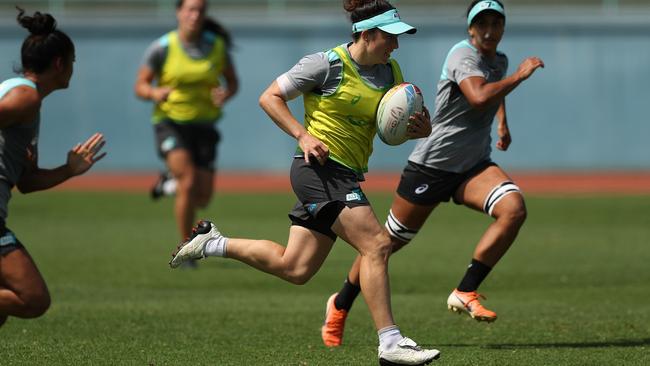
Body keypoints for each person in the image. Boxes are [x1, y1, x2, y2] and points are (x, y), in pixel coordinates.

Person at [169, 0, 441, 364]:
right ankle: (391, 342)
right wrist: (302, 135)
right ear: (367, 33)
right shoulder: (326, 64)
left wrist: (420, 131)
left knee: (295, 268)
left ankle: (213, 243)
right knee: (376, 244)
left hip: (343, 174)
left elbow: (390, 125)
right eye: (390, 37)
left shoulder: (390, 71)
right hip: (319, 169)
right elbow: (270, 97)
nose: (396, 45)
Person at [321, 0, 545, 347]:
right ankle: (340, 304)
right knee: (385, 244)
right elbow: (478, 95)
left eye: (495, 23)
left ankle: (466, 289)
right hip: (433, 165)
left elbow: (493, 89)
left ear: (502, 27)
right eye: (481, 23)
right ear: (470, 29)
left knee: (513, 208)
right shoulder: (462, 55)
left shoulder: (496, 60)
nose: (488, 30)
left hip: (472, 165)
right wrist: (521, 75)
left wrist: (503, 122)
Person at [0, 8, 107, 328]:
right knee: (32, 299)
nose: (73, 68)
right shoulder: (25, 98)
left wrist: (68, 169)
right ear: (59, 63)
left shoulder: (18, 92)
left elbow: (28, 182)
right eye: (72, 61)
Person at [134, 0, 239, 260]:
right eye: (190, 9)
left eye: (200, 10)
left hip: (204, 126)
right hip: (171, 122)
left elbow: (233, 82)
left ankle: (168, 183)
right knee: (188, 181)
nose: (195, 14)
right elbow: (141, 86)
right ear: (179, 12)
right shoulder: (162, 48)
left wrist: (224, 94)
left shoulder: (216, 46)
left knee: (201, 198)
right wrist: (155, 92)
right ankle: (187, 248)